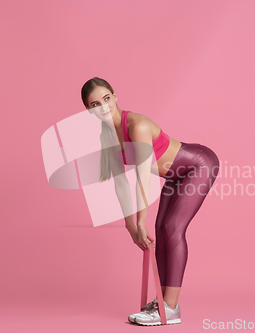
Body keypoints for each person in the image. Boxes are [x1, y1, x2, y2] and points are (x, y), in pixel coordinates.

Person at [81, 77, 220, 326]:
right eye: (94, 105)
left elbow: (143, 179)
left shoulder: (137, 125)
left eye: (106, 98)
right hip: (175, 176)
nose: (103, 107)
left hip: (198, 164)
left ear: (114, 95)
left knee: (172, 229)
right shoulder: (108, 138)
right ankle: (163, 302)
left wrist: (141, 220)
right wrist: (130, 226)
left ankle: (170, 308)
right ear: (89, 112)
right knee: (159, 231)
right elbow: (121, 183)